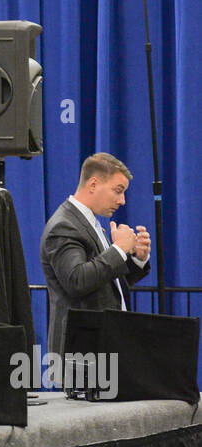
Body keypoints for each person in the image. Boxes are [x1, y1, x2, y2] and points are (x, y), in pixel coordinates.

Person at [40, 152, 151, 356]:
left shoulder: (90, 222)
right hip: (81, 351)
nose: (123, 200)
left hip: (102, 345)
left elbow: (106, 283)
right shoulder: (64, 226)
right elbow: (77, 280)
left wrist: (136, 259)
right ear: (93, 184)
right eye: (118, 191)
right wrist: (118, 250)